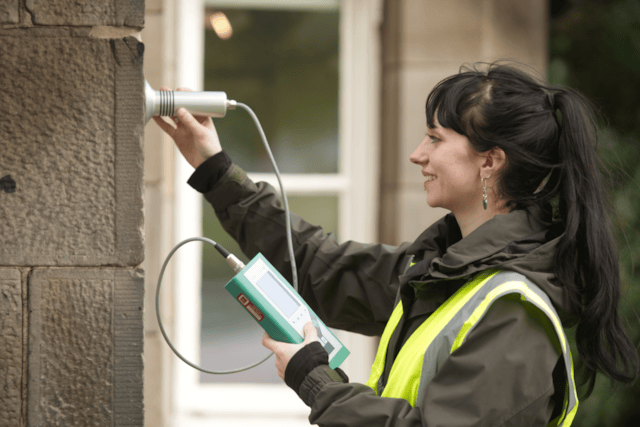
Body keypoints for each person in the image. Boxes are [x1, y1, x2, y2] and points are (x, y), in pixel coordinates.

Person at [154, 62, 639, 426]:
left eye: (434, 138)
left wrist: (318, 382)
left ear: (490, 162)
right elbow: (318, 268)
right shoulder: (442, 270)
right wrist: (215, 169)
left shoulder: (514, 315)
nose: (416, 154)